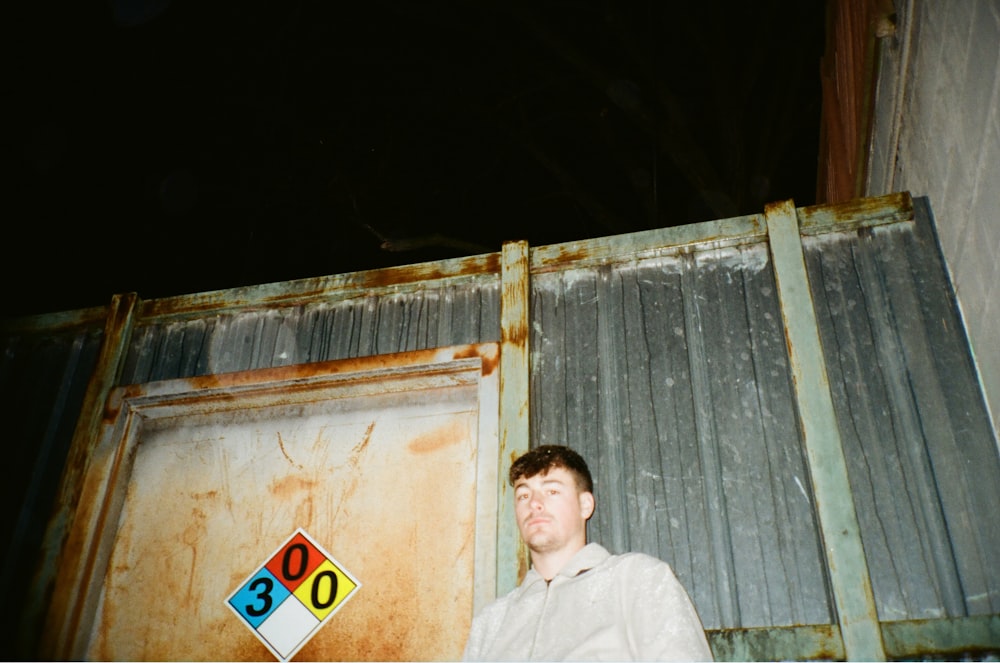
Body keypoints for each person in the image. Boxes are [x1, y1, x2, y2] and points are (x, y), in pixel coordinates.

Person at [463, 444, 713, 661]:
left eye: (552, 491)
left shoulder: (638, 580)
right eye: (523, 495)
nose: (534, 503)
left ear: (585, 505)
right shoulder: (491, 622)